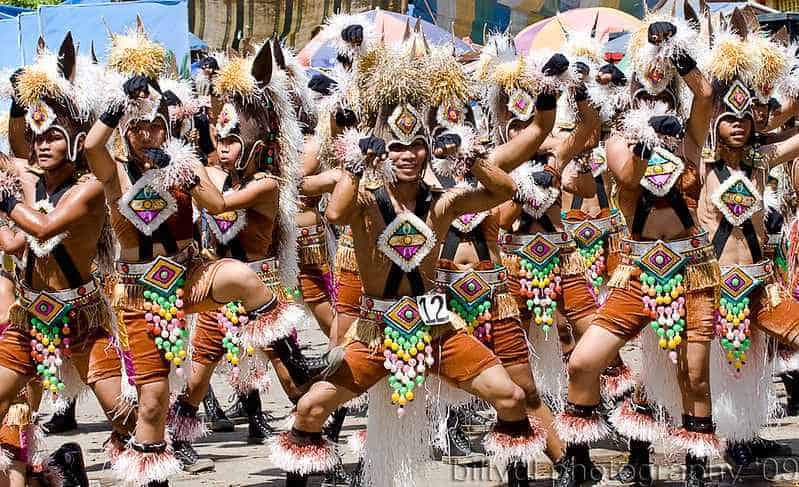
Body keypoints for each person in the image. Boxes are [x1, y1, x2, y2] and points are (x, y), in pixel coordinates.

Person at [83, 20, 329, 487]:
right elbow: (93, 143)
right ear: (127, 132)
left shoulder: (185, 166)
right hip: (136, 294)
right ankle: (154, 473)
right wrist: (118, 104)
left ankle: (290, 358)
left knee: (240, 276)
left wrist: (183, 170)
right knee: (153, 402)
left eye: (156, 125)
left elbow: (217, 203)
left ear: (167, 127)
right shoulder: (113, 173)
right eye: (138, 127)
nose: (147, 134)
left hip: (188, 274)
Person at [554, 9, 720, 487]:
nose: (656, 103)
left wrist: (675, 52)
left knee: (694, 377)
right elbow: (627, 177)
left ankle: (693, 469)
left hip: (693, 270)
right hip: (637, 270)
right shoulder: (618, 142)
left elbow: (706, 93)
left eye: (664, 95)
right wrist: (647, 136)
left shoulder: (691, 138)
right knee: (585, 362)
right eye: (645, 97)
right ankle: (580, 459)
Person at [0, 32, 137, 482]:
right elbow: (13, 144)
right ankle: (52, 468)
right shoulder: (25, 178)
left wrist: (5, 206)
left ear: (76, 141)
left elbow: (42, 227)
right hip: (28, 317)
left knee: (123, 414)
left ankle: (153, 465)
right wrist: (25, 95)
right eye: (37, 137)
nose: (41, 144)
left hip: (82, 316)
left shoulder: (89, 190)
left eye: (53, 136)